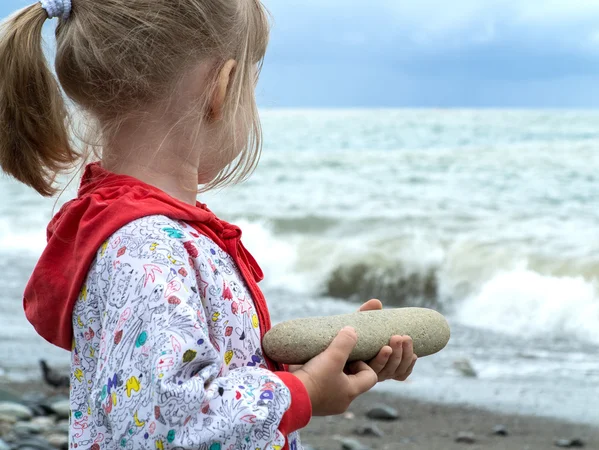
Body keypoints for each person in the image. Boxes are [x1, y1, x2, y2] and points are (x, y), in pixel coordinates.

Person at [0, 0, 417, 448]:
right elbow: (169, 423)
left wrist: (304, 366)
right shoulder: (147, 246)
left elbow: (183, 381)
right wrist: (305, 393)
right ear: (223, 86)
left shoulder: (147, 233)